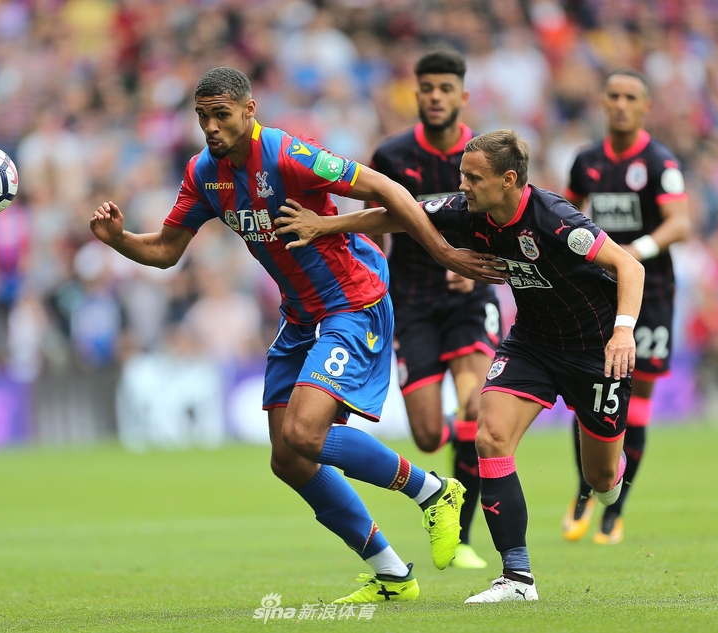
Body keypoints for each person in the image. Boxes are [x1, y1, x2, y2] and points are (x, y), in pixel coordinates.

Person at [89, 67, 497, 604]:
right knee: (288, 459)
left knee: (305, 434)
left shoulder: (289, 155)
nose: (210, 127)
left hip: (352, 303)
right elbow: (166, 251)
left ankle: (434, 492)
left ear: (249, 110)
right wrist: (118, 239)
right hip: (301, 316)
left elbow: (384, 188)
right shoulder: (203, 173)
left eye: (221, 115)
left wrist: (444, 252)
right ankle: (393, 574)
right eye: (202, 117)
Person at [273, 129, 645, 603]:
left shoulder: (555, 220)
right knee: (489, 436)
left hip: (596, 351)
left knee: (600, 480)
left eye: (473, 177)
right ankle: (517, 579)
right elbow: (398, 215)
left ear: (508, 180)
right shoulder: (466, 210)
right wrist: (327, 225)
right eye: (462, 175)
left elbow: (630, 267)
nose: (462, 185)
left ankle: (611, 475)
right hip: (532, 344)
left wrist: (623, 331)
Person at [366, 49, 500, 570]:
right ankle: (451, 468)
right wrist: (373, 288)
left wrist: (479, 267)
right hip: (413, 302)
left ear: (462, 95)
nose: (436, 97)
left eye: (446, 88)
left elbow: (507, 222)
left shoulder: (484, 153)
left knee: (474, 408)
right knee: (425, 436)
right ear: (416, 94)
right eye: (427, 89)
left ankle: (462, 538)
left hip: (470, 300)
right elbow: (373, 227)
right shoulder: (392, 156)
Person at [561, 69, 690, 545]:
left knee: (638, 403)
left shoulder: (659, 161)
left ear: (645, 106)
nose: (620, 104)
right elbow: (566, 211)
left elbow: (680, 223)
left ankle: (615, 512)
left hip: (651, 295)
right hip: (599, 292)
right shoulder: (586, 161)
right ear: (602, 102)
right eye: (613, 95)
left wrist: (635, 251)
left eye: (630, 97)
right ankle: (584, 491)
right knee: (588, 392)